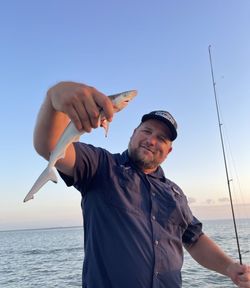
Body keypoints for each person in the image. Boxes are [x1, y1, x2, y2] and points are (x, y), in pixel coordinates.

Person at [33, 81, 250, 288]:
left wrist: (229, 267)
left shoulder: (175, 194)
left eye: (162, 138)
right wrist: (55, 98)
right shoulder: (100, 166)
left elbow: (194, 240)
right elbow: (49, 146)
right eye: (147, 131)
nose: (152, 140)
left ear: (168, 152)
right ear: (133, 133)